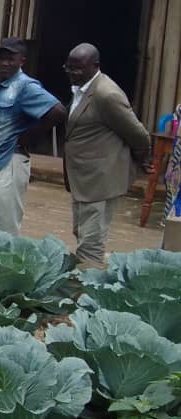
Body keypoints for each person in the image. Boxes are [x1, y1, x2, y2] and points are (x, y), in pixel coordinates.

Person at [63, 43, 150, 263]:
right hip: (83, 178)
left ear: (95, 66)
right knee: (82, 234)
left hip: (99, 180)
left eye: (78, 68)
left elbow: (138, 134)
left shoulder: (106, 94)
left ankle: (87, 292)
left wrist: (139, 158)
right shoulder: (82, 88)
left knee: (90, 245)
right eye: (69, 67)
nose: (72, 73)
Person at [0, 37, 66, 234]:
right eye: (0, 58)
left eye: (11, 59)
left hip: (9, 162)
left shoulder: (25, 86)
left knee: (2, 227)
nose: (4, 63)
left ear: (22, 61)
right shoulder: (0, 85)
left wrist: (26, 137)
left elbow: (58, 111)